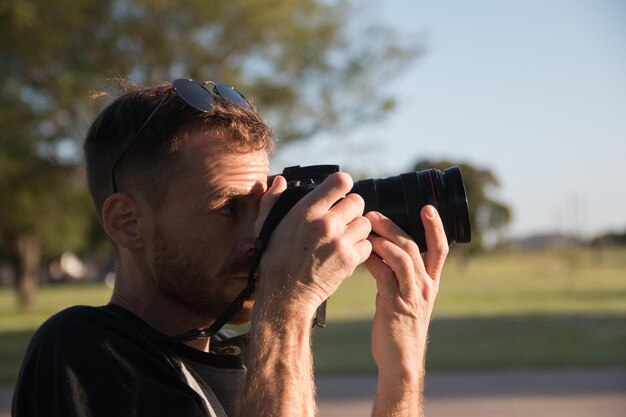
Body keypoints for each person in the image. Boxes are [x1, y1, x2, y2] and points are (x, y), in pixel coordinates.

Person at [12, 79, 449, 417]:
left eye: (261, 207)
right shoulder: (80, 350)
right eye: (228, 208)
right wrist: (287, 306)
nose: (256, 235)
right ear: (127, 223)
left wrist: (402, 370)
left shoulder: (240, 362)